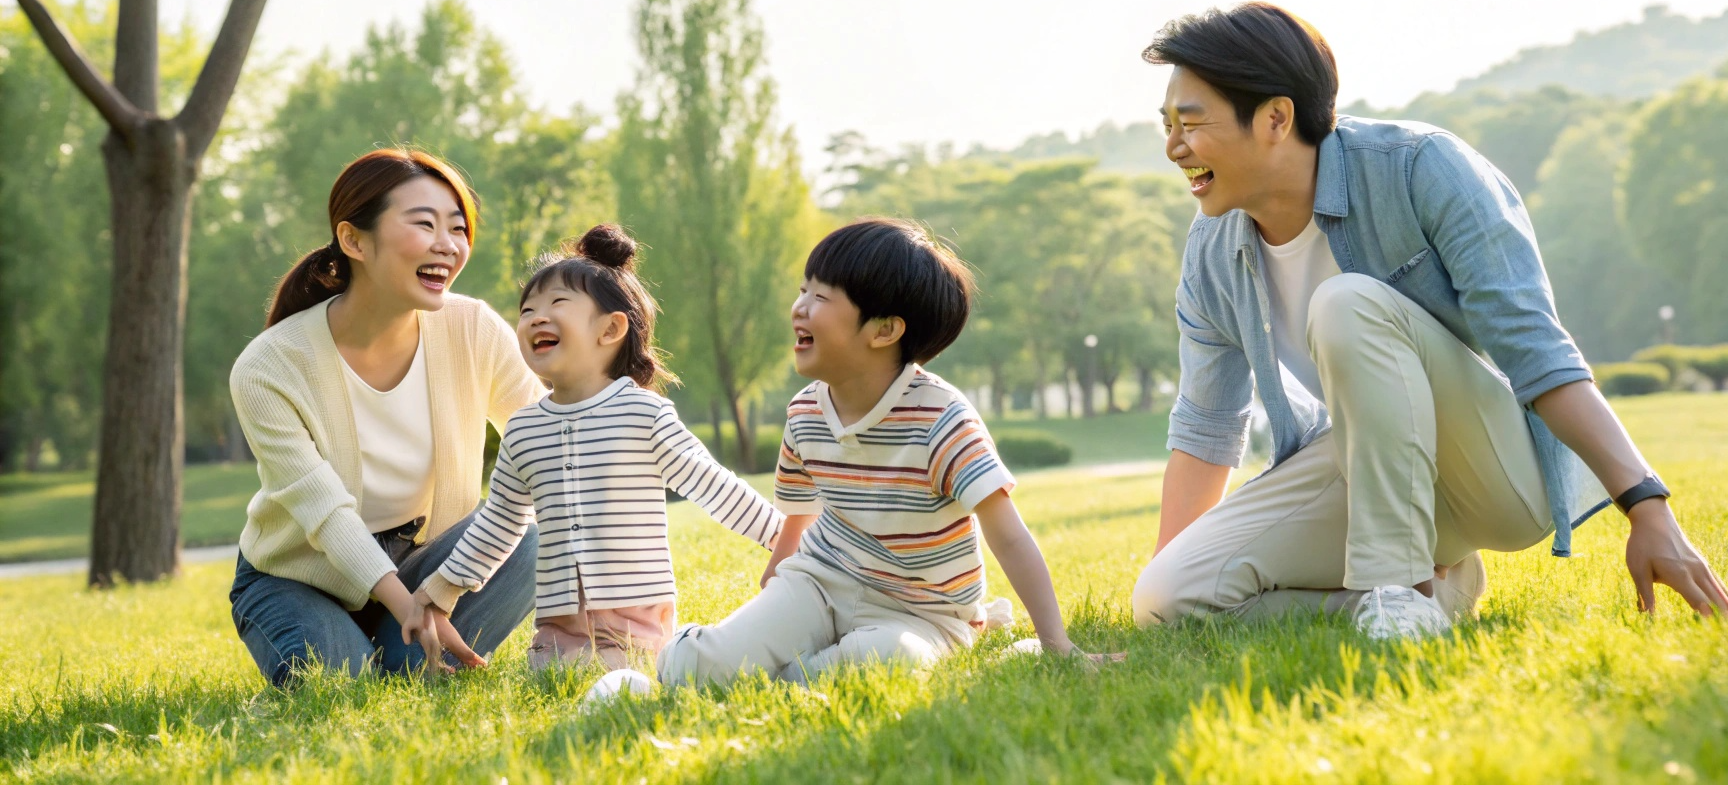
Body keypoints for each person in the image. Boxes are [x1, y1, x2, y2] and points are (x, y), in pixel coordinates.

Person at [1129, 3, 1728, 639]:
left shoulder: (1420, 167)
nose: (1174, 147)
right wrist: (1167, 565)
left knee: (1346, 305)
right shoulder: (1212, 251)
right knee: (1168, 601)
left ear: (1276, 117)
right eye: (1166, 125)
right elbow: (1208, 424)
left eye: (1190, 124)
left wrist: (1647, 509)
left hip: (1492, 478)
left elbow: (1535, 348)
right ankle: (1427, 600)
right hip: (1369, 469)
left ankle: (1394, 587)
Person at [656, 218, 1121, 687]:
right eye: (803, 290)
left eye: (820, 297)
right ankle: (684, 666)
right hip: (818, 582)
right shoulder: (804, 413)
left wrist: (1059, 646)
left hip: (920, 614)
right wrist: (771, 604)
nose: (799, 307)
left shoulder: (943, 421)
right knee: (702, 668)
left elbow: (1010, 538)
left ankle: (792, 678)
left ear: (883, 331)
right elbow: (799, 512)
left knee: (886, 658)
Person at [405, 224, 783, 676]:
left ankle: (687, 653)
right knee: (556, 681)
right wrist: (443, 587)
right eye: (527, 310)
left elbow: (715, 487)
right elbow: (501, 521)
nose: (536, 318)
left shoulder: (644, 413)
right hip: (557, 627)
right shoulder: (524, 429)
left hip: (634, 619)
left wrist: (786, 541)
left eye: (557, 304)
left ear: (610, 329)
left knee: (625, 682)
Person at [227, 149, 543, 687]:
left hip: (425, 566)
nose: (449, 244)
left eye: (458, 228)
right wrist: (408, 607)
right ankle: (385, 655)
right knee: (347, 689)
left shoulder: (474, 330)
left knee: (532, 539)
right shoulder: (269, 366)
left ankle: (413, 662)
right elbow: (324, 512)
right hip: (299, 578)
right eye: (424, 224)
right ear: (353, 241)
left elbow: (547, 444)